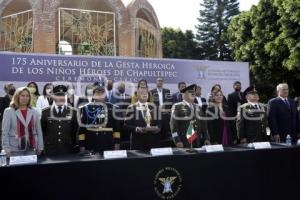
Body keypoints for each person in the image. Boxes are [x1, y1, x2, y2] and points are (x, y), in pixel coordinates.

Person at [78, 81, 121, 153]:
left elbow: (117, 129)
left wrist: (117, 144)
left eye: (102, 92)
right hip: (91, 144)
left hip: (108, 144)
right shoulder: (85, 108)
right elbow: (81, 130)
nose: (100, 94)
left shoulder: (113, 108)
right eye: (98, 92)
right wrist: (82, 146)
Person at [1, 87, 44, 156]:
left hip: (32, 149)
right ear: (17, 97)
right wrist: (7, 149)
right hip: (14, 149)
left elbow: (39, 131)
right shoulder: (8, 111)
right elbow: (5, 133)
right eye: (23, 95)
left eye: (27, 96)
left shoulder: (35, 111)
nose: (25, 98)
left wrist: (40, 146)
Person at [41, 85, 79, 156]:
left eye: (63, 95)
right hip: (50, 149)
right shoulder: (45, 112)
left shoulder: (73, 112)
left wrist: (76, 146)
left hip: (68, 149)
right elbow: (43, 131)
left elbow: (75, 131)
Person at [170, 84, 209, 148]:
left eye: (194, 92)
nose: (193, 93)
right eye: (190, 92)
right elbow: (174, 127)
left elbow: (204, 125)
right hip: (184, 142)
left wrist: (206, 138)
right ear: (184, 94)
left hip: (197, 141)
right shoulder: (177, 106)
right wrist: (177, 141)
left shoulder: (198, 107)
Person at [124, 85, 161, 150]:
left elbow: (160, 123)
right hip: (138, 143)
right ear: (137, 95)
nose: (144, 94)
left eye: (146, 93)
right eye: (142, 93)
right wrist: (136, 129)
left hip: (153, 143)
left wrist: (158, 128)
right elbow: (126, 126)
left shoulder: (154, 107)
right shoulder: (131, 108)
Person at [150, 77, 172, 141]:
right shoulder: (151, 92)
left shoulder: (167, 91)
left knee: (165, 116)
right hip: (156, 111)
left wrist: (163, 106)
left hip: (165, 110)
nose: (160, 82)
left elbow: (169, 101)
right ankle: (158, 136)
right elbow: (151, 103)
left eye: (161, 81)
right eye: (158, 81)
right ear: (156, 82)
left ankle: (165, 136)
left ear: (163, 82)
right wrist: (158, 108)